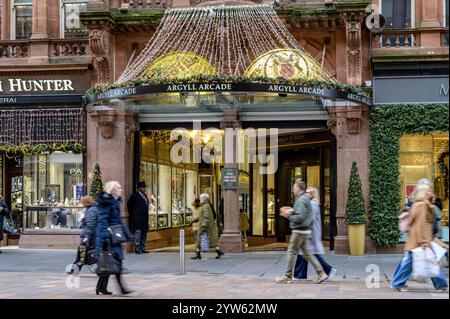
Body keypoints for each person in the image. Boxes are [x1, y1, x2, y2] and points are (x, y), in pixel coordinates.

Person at [390, 184, 448, 292]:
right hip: (419, 241)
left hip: (416, 240)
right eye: (429, 191)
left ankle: (442, 285)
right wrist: (424, 241)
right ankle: (443, 285)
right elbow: (422, 224)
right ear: (424, 193)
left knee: (419, 263)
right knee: (429, 263)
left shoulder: (419, 204)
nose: (431, 193)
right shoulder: (422, 205)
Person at [276, 181, 328, 284]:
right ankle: (321, 273)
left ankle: (288, 276)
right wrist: (292, 211)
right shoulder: (304, 199)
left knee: (291, 251)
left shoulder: (301, 200)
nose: (292, 190)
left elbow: (301, 217)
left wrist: (288, 215)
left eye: (294, 188)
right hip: (304, 231)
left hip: (299, 230)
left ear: (299, 189)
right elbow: (301, 213)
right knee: (307, 253)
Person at [96, 181, 133, 295]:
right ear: (112, 190)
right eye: (119, 188)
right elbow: (103, 221)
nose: (121, 189)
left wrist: (128, 235)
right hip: (109, 238)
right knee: (116, 262)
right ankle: (122, 288)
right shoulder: (107, 203)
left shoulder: (114, 202)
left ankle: (101, 287)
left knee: (110, 262)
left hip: (114, 237)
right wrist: (105, 237)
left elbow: (119, 222)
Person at [293, 187, 337, 281]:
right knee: (306, 254)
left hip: (310, 234)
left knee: (310, 254)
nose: (305, 194)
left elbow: (310, 219)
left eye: (307, 192)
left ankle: (328, 270)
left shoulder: (312, 204)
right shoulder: (312, 204)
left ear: (312, 194)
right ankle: (300, 274)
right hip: (310, 233)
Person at [190, 193, 224, 260]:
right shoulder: (205, 205)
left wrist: (204, 226)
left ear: (203, 198)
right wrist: (194, 220)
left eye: (201, 198)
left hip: (206, 227)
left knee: (203, 240)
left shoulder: (206, 206)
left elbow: (206, 217)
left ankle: (217, 251)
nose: (200, 200)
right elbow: (201, 217)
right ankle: (198, 253)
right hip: (205, 226)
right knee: (203, 241)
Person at [73, 196, 99, 271]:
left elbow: (90, 225)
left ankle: (76, 268)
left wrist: (87, 236)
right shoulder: (92, 209)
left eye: (82, 203)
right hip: (91, 235)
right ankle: (76, 267)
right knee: (83, 252)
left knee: (82, 252)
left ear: (86, 203)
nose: (82, 204)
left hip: (89, 236)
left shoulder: (91, 210)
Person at [127, 181, 150, 254]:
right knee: (138, 232)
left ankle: (143, 248)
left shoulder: (145, 195)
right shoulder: (134, 195)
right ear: (139, 188)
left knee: (144, 233)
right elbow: (129, 205)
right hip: (137, 218)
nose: (144, 189)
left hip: (145, 218)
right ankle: (137, 248)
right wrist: (134, 214)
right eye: (143, 187)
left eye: (144, 187)